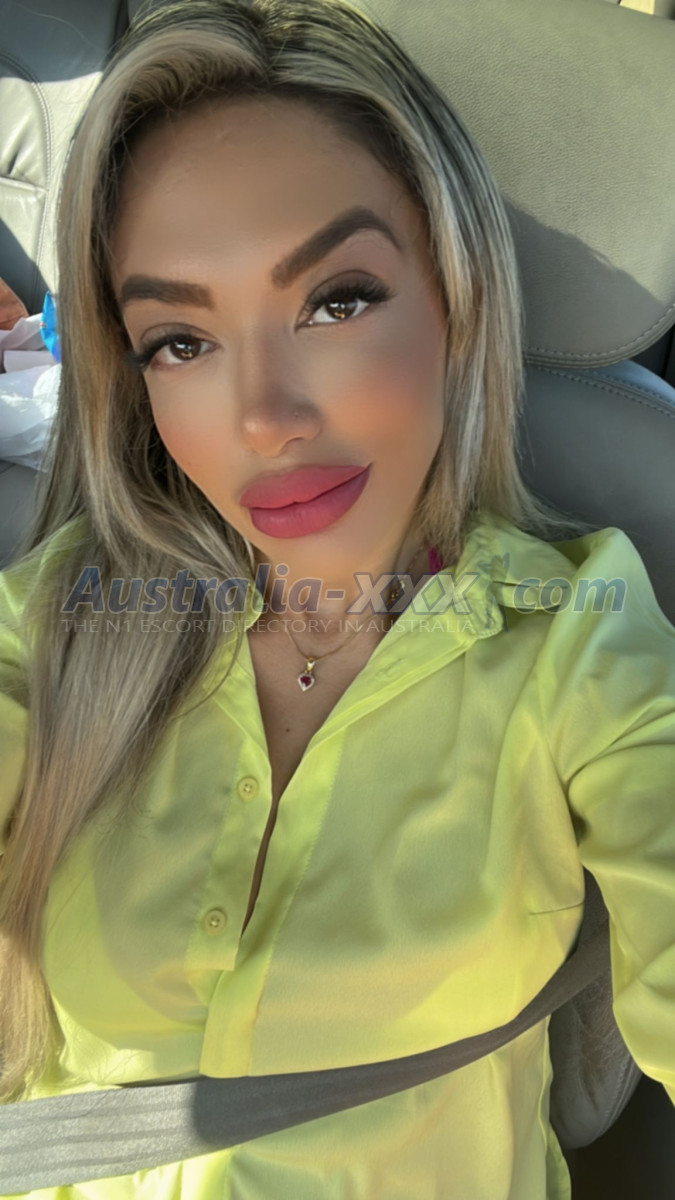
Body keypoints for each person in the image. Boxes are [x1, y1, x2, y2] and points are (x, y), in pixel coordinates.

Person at [0, 0, 673, 1197]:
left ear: (457, 298)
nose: (264, 419)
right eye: (180, 342)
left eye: (338, 299)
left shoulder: (579, 639)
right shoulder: (59, 614)